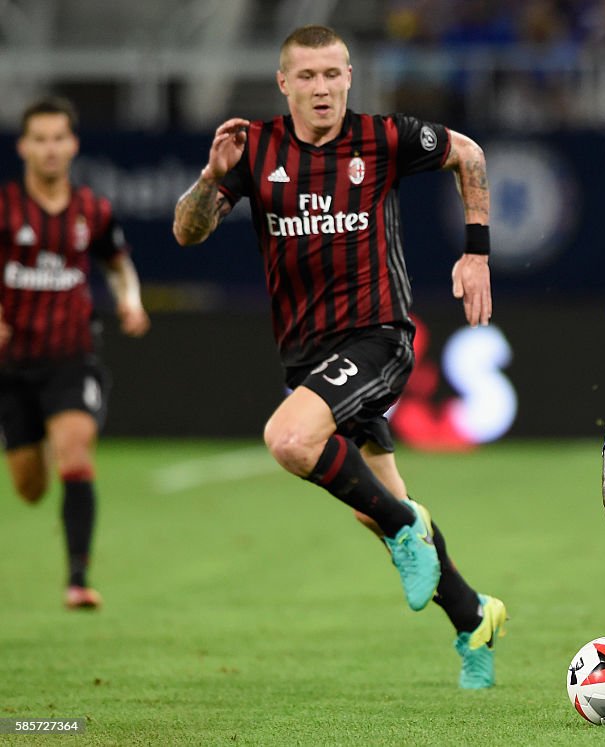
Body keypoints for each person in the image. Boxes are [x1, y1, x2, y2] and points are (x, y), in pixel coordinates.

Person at [172, 25, 506, 689]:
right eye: (308, 76)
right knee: (373, 501)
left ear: (349, 77)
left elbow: (468, 152)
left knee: (290, 439)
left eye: (333, 74)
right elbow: (188, 232)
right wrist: (210, 178)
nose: (321, 88)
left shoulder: (383, 138)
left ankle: (407, 528)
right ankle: (473, 614)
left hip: (377, 337)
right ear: (283, 83)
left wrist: (476, 251)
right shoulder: (253, 148)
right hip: (306, 354)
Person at [0, 96, 150, 610]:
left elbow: (117, 263)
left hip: (72, 356)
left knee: (76, 455)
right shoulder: (5, 210)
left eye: (57, 138)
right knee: (29, 488)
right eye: (38, 139)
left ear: (73, 145)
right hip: (12, 366)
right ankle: (36, 440)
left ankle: (78, 579)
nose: (49, 149)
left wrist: (130, 302)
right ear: (23, 146)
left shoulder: (93, 209)